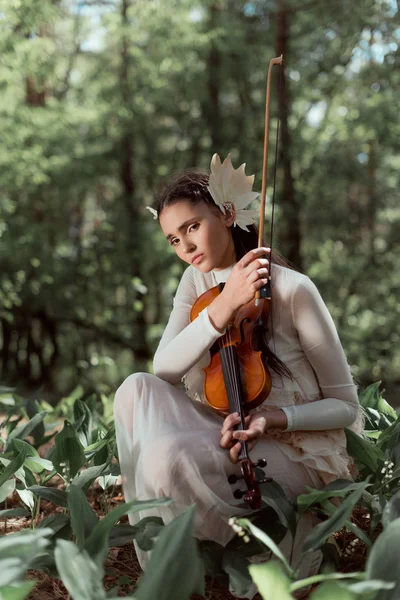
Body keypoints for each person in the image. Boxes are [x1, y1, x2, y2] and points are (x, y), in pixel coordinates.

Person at [113, 154, 364, 598]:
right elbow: (165, 369)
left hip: (296, 446)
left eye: (192, 227)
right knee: (136, 390)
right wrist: (223, 308)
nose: (186, 248)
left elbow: (347, 408)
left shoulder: (292, 290)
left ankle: (259, 549)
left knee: (169, 458)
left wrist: (275, 419)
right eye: (173, 239)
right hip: (230, 429)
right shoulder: (196, 282)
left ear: (227, 214)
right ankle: (164, 560)